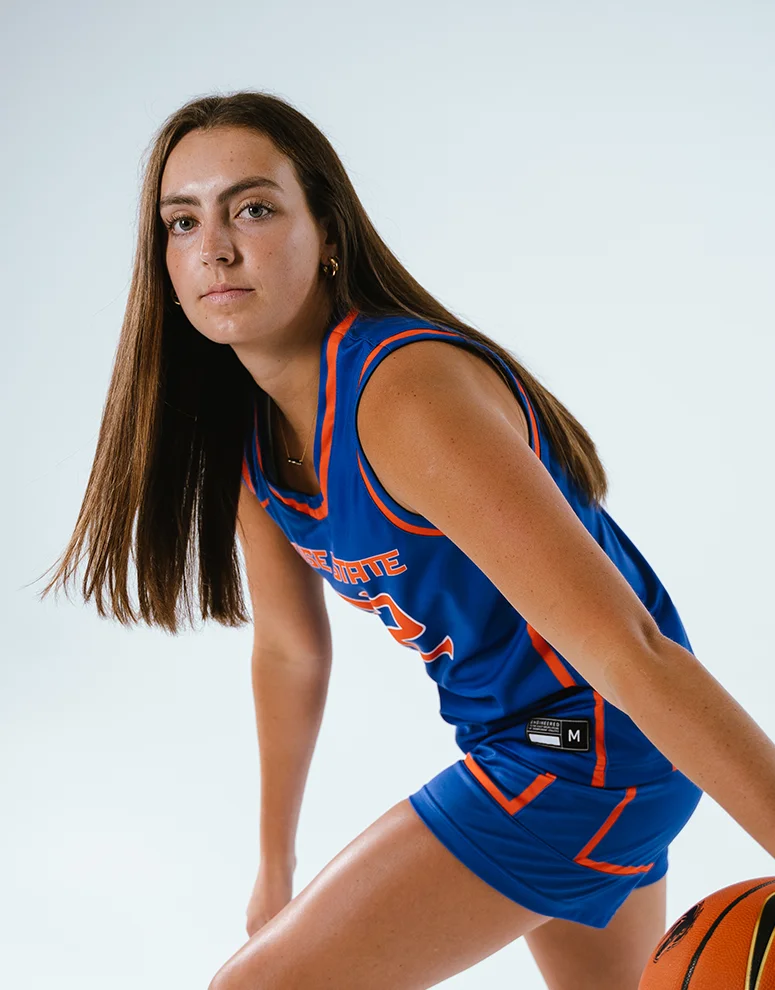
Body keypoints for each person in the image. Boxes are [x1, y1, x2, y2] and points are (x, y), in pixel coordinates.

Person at [40, 91, 775, 990]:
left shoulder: (403, 394)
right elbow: (288, 651)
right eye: (182, 221)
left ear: (330, 233)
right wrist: (275, 865)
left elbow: (630, 651)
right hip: (548, 746)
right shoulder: (253, 438)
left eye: (254, 208)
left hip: (586, 748)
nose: (215, 247)